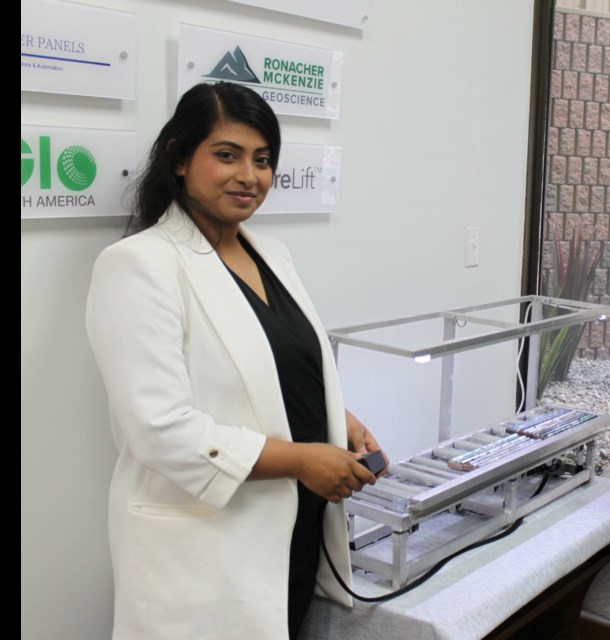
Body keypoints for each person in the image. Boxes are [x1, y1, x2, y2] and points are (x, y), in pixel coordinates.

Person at [86, 82, 386, 640]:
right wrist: (301, 459)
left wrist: (336, 418)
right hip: (206, 551)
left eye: (263, 160)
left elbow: (279, 368)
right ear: (180, 159)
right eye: (227, 155)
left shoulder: (273, 254)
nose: (249, 175)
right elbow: (158, 430)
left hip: (292, 533)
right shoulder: (137, 265)